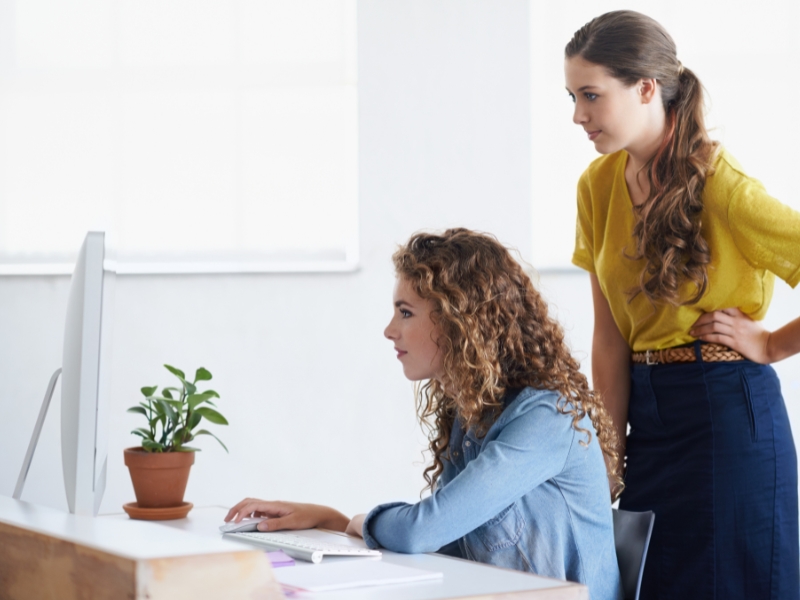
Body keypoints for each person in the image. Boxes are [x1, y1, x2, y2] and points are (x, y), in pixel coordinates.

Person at [227, 228, 623, 600]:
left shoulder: (547, 419)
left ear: (458, 322)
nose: (389, 330)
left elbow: (424, 530)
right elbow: (445, 541)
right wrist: (331, 521)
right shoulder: (470, 417)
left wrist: (358, 523)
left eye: (405, 312)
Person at [565, 10, 800, 600]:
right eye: (572, 97)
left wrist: (771, 345)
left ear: (646, 88)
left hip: (726, 413)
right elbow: (610, 338)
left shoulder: (723, 184)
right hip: (649, 424)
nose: (578, 115)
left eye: (591, 96)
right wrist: (608, 456)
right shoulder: (595, 187)